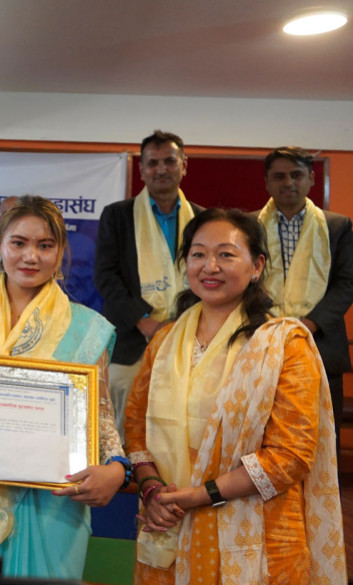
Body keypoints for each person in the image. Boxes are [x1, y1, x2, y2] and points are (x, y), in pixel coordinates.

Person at [125, 208, 345, 584]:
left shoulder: (283, 345)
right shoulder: (163, 342)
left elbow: (291, 456)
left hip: (255, 534)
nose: (210, 266)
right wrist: (151, 490)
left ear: (257, 266)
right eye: (198, 254)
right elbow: (135, 428)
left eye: (226, 254)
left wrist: (199, 495)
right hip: (167, 525)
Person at [0, 196, 128, 579]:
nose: (31, 256)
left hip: (54, 505)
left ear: (61, 252)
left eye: (45, 245)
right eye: (18, 243)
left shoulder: (86, 328)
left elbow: (102, 416)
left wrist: (117, 468)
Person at [95, 130, 202, 439]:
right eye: (152, 163)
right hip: (131, 341)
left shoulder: (203, 219)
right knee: (122, 428)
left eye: (170, 161)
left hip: (191, 336)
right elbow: (106, 277)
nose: (161, 169)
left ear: (184, 165)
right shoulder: (117, 216)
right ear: (141, 169)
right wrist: (144, 322)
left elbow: (210, 278)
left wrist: (179, 325)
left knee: (182, 421)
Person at [256, 146, 353, 460]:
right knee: (262, 435)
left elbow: (347, 283)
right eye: (279, 176)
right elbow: (241, 282)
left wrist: (307, 325)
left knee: (322, 438)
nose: (288, 182)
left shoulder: (337, 226)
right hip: (261, 343)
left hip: (320, 344)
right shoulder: (247, 226)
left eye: (296, 175)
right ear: (267, 182)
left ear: (311, 178)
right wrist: (267, 326)